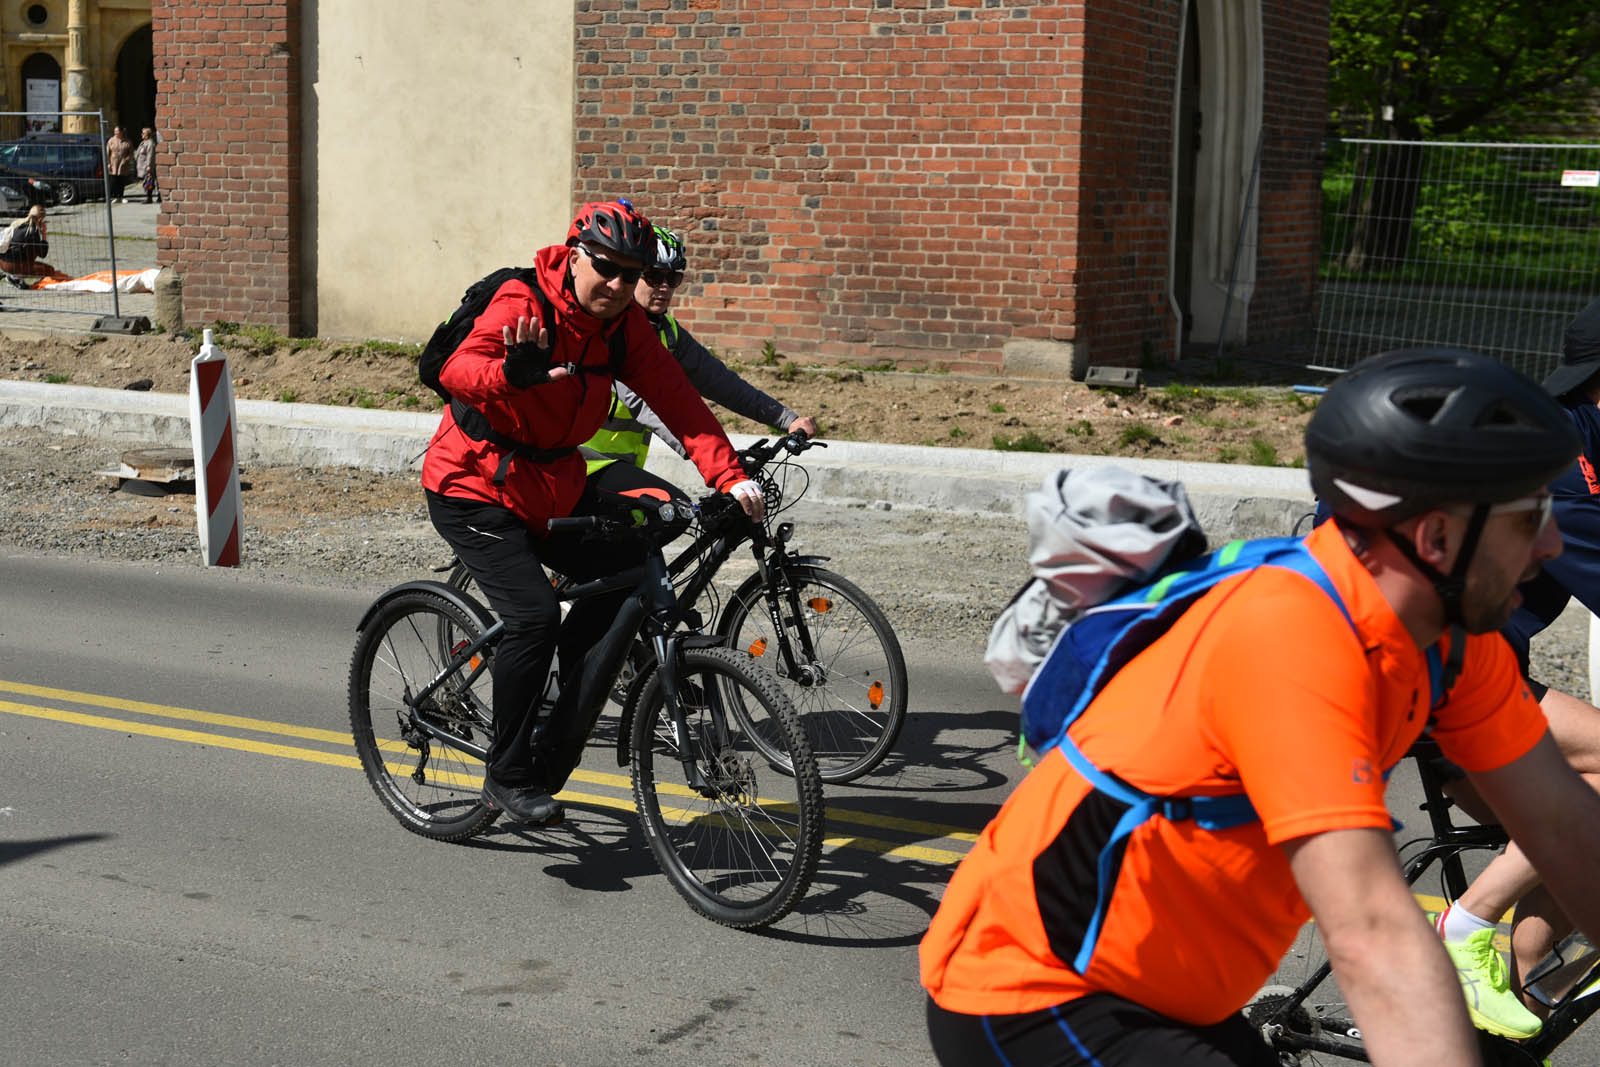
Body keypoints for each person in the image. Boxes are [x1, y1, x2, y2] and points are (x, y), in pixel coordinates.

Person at [919, 347, 1600, 1066]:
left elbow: (1567, 832)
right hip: (1034, 992)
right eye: (1532, 518)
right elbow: (1371, 930)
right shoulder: (1293, 636)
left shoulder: (1454, 642)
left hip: (1180, 998)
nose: (1552, 543)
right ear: (1435, 537)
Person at [422, 198, 765, 830]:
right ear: (576, 255)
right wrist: (511, 376)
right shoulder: (524, 302)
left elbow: (680, 402)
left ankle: (556, 742)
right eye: (605, 268)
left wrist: (730, 476)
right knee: (532, 617)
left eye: (630, 275)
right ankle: (505, 774)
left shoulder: (622, 328)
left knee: (629, 570)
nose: (617, 285)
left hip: (555, 483)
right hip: (472, 482)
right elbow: (454, 368)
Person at [1426, 296, 1600, 1033]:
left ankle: (1523, 992)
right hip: (1440, 687)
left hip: (1479, 683)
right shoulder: (1567, 462)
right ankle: (1467, 926)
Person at [582, 226, 816, 470]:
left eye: (673, 278)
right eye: (654, 276)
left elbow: (723, 384)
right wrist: (716, 457)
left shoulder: (668, 333)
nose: (664, 287)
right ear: (633, 275)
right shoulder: (608, 330)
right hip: (580, 462)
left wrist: (788, 419)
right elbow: (645, 403)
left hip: (622, 466)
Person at [0, 205, 68, 281]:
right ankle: (16, 277)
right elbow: (42, 254)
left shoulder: (16, 224)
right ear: (40, 219)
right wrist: (44, 234)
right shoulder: (33, 231)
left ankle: (12, 274)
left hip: (3, 263)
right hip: (16, 266)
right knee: (50, 270)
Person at [105, 126, 135, 202]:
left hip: (123, 164)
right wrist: (108, 163)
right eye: (115, 131)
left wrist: (126, 159)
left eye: (117, 131)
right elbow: (107, 153)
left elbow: (131, 153)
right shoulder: (111, 140)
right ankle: (115, 197)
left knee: (122, 181)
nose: (115, 133)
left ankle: (121, 197)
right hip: (113, 164)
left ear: (121, 132)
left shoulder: (127, 141)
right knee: (114, 180)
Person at [134, 128, 159, 204]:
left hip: (146, 166)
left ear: (148, 134)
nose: (142, 134)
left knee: (149, 182)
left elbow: (150, 155)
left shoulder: (150, 143)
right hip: (142, 166)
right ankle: (148, 197)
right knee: (146, 182)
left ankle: (149, 198)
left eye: (143, 133)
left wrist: (149, 166)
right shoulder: (143, 142)